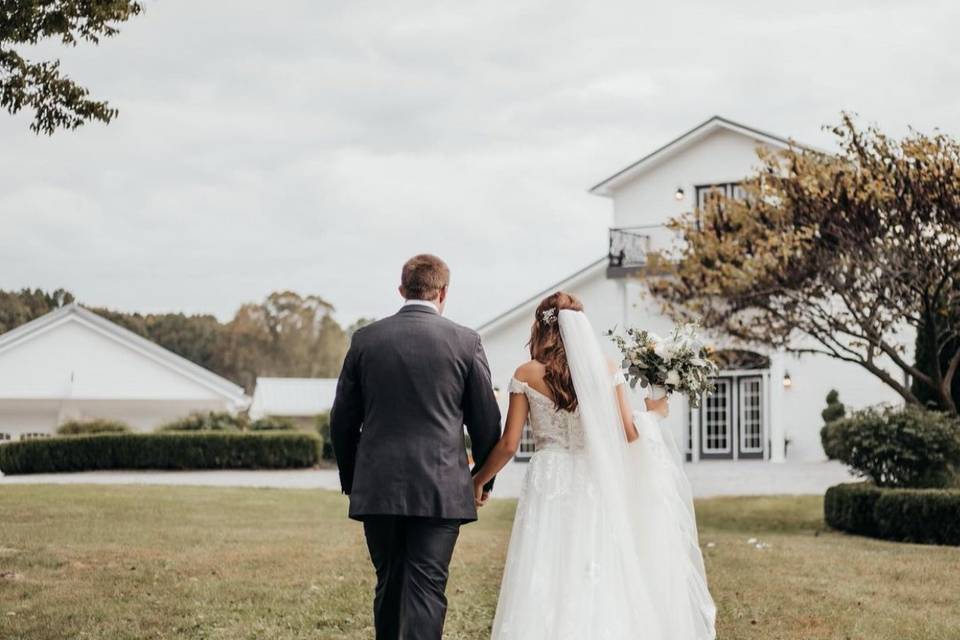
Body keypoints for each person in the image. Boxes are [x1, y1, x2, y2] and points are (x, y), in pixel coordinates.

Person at [472, 291, 717, 640]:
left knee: (545, 564)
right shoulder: (606, 369)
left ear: (542, 328)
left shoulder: (526, 373)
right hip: (593, 475)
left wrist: (479, 479)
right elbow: (629, 434)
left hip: (549, 477)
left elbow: (509, 444)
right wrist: (656, 414)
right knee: (595, 560)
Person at [330, 254, 502, 640]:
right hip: (441, 488)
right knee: (426, 588)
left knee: (389, 582)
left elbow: (342, 419)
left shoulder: (366, 339)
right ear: (443, 292)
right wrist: (481, 481)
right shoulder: (465, 341)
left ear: (401, 289)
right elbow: (486, 421)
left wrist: (352, 479)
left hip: (377, 487)